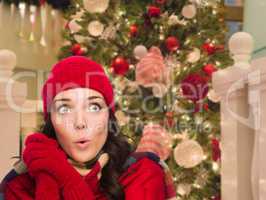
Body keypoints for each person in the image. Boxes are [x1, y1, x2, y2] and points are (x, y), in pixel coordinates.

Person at [0, 56, 177, 200]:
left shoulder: (143, 173)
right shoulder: (19, 185)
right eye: (64, 108)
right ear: (51, 121)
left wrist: (70, 182)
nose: (80, 122)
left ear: (109, 116)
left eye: (94, 107)